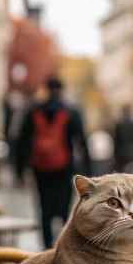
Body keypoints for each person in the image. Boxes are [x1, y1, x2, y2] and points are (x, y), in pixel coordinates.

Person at [15, 77, 91, 249]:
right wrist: (88, 172)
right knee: (64, 208)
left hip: (40, 168)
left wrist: (19, 171)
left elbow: (21, 141)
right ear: (62, 90)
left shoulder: (34, 110)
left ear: (46, 89)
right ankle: (63, 246)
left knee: (44, 208)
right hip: (63, 168)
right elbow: (82, 142)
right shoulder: (70, 111)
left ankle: (47, 248)